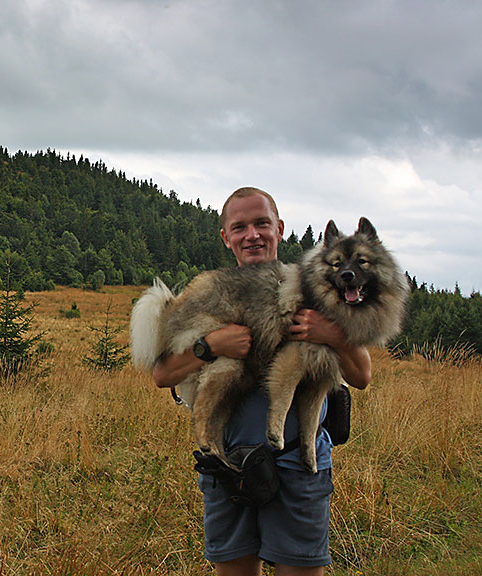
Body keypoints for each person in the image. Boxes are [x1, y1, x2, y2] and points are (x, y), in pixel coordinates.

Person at [153, 187, 371, 576]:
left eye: (261, 224)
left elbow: (361, 376)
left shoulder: (318, 288)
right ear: (226, 237)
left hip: (299, 465)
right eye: (239, 227)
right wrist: (211, 345)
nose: (252, 234)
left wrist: (333, 334)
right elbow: (163, 374)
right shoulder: (209, 293)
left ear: (279, 229)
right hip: (228, 463)